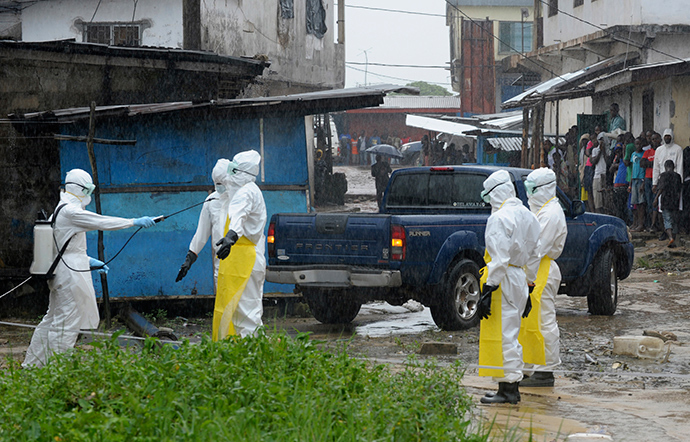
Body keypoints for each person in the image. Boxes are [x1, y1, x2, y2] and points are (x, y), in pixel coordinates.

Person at [23, 169, 158, 368]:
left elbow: (65, 246)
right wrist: (133, 222)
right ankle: (56, 371)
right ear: (80, 189)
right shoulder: (70, 211)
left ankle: (33, 365)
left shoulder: (60, 209)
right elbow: (101, 222)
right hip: (69, 276)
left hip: (63, 271)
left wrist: (88, 261)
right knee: (66, 324)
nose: (90, 193)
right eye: (89, 189)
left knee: (52, 319)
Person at [477, 170, 540, 404]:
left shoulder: (499, 218)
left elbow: (499, 259)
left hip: (503, 279)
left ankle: (509, 390)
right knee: (512, 332)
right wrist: (529, 285)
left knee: (505, 335)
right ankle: (510, 385)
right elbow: (536, 253)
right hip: (520, 277)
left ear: (495, 193)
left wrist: (488, 288)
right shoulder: (528, 215)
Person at [519, 168, 566, 387]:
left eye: (532, 189)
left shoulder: (551, 214)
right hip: (536, 269)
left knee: (544, 320)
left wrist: (528, 278)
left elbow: (537, 250)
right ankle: (530, 365)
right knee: (530, 320)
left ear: (545, 189)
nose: (529, 194)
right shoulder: (544, 210)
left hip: (542, 270)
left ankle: (545, 370)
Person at [213, 150, 267, 340]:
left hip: (244, 260)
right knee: (236, 312)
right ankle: (241, 354)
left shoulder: (246, 192)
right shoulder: (247, 191)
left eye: (233, 169)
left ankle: (254, 357)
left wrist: (231, 236)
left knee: (246, 314)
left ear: (242, 172)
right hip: (240, 258)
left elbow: (239, 216)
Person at [175, 159, 232, 286]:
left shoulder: (241, 198)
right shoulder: (211, 200)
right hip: (220, 263)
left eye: (221, 183)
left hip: (240, 261)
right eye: (216, 183)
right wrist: (189, 259)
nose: (219, 186)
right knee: (222, 302)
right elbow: (201, 233)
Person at [653, 129, 683, 240]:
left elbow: (679, 166)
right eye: (665, 136)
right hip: (662, 183)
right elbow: (656, 167)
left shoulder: (678, 149)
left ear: (671, 137)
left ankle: (673, 234)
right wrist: (654, 183)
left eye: (668, 136)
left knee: (673, 211)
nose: (667, 138)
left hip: (674, 184)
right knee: (662, 210)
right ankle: (665, 232)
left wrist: (679, 184)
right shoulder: (659, 150)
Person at [654, 159, 682, 248]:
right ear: (673, 167)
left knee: (667, 219)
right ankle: (675, 238)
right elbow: (679, 189)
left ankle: (670, 238)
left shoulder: (663, 176)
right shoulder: (678, 176)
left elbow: (661, 188)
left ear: (665, 167)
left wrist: (656, 199)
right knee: (674, 219)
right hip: (675, 201)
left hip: (666, 200)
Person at [641, 133, 658, 231]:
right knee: (649, 201)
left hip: (657, 179)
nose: (654, 141)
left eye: (656, 139)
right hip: (647, 178)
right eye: (652, 139)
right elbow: (642, 163)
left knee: (655, 202)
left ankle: (653, 224)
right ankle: (651, 224)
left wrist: (649, 164)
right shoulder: (647, 152)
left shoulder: (660, 151)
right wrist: (654, 163)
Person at [629, 138, 646, 232]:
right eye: (636, 144)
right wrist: (630, 182)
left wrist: (643, 182)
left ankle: (641, 224)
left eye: (639, 144)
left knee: (641, 203)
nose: (638, 146)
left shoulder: (644, 154)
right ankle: (635, 223)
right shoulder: (633, 154)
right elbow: (632, 169)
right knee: (635, 203)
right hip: (634, 180)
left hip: (641, 179)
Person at [610, 144, 630, 222]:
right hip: (617, 187)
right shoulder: (619, 161)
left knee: (623, 208)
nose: (618, 153)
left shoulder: (626, 161)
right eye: (616, 151)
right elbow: (611, 169)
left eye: (620, 151)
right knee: (618, 208)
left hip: (623, 186)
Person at [590, 132, 609, 213]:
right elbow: (594, 161)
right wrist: (600, 151)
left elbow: (607, 161)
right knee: (598, 201)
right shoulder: (595, 150)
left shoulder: (608, 150)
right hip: (597, 176)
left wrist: (604, 150)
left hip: (604, 175)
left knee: (606, 201)